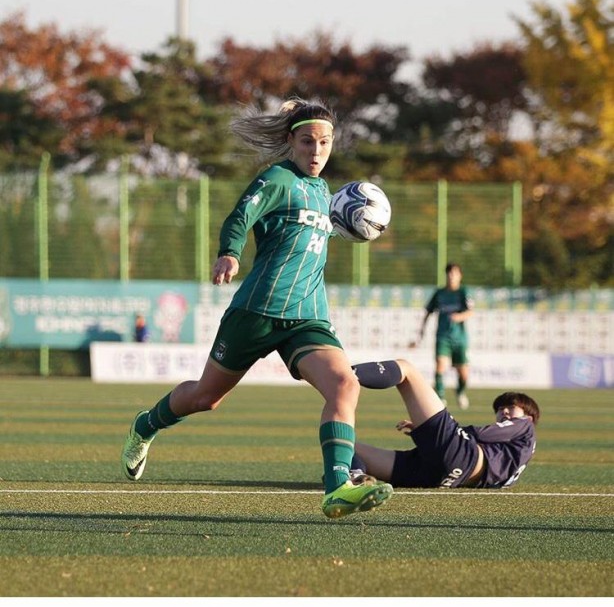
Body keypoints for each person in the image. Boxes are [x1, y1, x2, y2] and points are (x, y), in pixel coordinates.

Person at [120, 97, 393, 519]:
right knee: (206, 398)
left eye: (325, 143)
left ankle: (337, 487)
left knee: (345, 385)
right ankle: (146, 425)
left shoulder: (326, 194)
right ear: (291, 141)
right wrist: (229, 253)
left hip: (307, 318)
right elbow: (239, 216)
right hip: (257, 312)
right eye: (307, 142)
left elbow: (311, 239)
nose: (316, 151)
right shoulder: (279, 179)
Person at [349, 358, 539, 489]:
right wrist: (426, 432)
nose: (503, 411)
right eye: (499, 409)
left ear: (529, 417)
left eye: (511, 407)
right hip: (445, 477)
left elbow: (480, 434)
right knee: (346, 446)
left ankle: (342, 374)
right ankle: (355, 479)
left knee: (406, 369)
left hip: (462, 456)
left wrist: (435, 429)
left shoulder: (526, 425)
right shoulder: (518, 457)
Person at [411, 262, 473, 410]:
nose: (451, 276)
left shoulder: (463, 292)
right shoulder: (439, 293)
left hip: (460, 339)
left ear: (460, 276)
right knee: (440, 366)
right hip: (443, 337)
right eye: (449, 273)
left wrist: (459, 316)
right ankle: (440, 397)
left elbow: (471, 311)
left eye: (455, 273)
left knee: (463, 373)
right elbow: (427, 312)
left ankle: (460, 391)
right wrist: (421, 334)